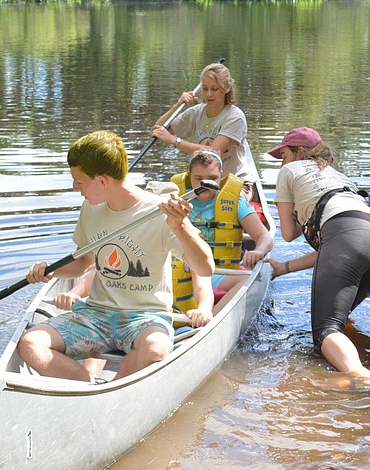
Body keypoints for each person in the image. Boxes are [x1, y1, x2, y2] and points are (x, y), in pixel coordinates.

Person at [16, 130, 215, 383]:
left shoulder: (160, 211)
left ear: (101, 180)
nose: (74, 187)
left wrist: (180, 226)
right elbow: (84, 264)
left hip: (146, 317)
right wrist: (52, 271)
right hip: (96, 314)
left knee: (155, 348)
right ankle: (87, 391)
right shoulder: (91, 207)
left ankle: (115, 390)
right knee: (30, 344)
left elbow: (205, 268)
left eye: (79, 181)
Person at [264, 127, 370, 380]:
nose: (282, 161)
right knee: (341, 318)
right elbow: (334, 249)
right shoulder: (337, 175)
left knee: (325, 329)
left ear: (299, 152)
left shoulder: (288, 171)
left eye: (284, 154)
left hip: (347, 237)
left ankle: (361, 377)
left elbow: (289, 234)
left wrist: (293, 207)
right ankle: (356, 363)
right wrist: (285, 268)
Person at [170, 149, 274, 316]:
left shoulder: (235, 202)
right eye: (199, 179)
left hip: (219, 272)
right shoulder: (175, 199)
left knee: (248, 280)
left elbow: (264, 237)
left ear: (221, 175)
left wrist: (258, 251)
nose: (205, 184)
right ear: (189, 176)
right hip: (179, 269)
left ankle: (211, 320)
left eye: (212, 179)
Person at [151, 62, 258, 183]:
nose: (208, 94)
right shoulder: (195, 112)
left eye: (214, 89)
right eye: (205, 88)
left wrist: (174, 140)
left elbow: (213, 153)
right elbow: (158, 130)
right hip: (200, 183)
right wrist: (178, 105)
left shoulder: (235, 117)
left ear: (227, 88)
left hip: (233, 182)